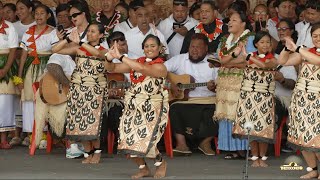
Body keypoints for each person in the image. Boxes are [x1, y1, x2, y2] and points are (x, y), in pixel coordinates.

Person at [105, 34, 169, 179]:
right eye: (146, 46)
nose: (149, 49)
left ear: (160, 48)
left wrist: (120, 56)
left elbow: (143, 69)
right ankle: (143, 168)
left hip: (152, 109)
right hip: (133, 108)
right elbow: (112, 67)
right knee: (128, 139)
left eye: (153, 46)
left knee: (146, 140)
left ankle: (160, 163)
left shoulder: (160, 67)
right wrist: (109, 57)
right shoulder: (136, 63)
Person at [52, 23, 108, 164]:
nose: (89, 33)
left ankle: (97, 153)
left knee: (92, 123)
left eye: (93, 31)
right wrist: (66, 39)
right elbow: (55, 49)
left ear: (101, 35)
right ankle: (88, 152)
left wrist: (80, 42)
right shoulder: (79, 49)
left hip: (95, 91)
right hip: (78, 91)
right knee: (79, 123)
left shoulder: (104, 51)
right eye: (88, 31)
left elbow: (96, 54)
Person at [278, 22, 320, 179]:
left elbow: (317, 61)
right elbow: (283, 61)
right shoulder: (305, 51)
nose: (317, 39)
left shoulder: (305, 52)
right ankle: (313, 169)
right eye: (315, 36)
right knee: (302, 137)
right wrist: (287, 48)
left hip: (318, 101)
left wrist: (298, 49)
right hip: (301, 100)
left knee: (317, 138)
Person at [165, 33, 218, 156]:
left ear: (206, 48)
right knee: (174, 108)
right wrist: (171, 84)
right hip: (184, 101)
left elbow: (221, 85)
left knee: (219, 111)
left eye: (198, 47)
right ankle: (181, 144)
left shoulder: (214, 62)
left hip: (208, 100)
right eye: (192, 47)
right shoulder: (179, 59)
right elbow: (160, 70)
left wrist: (214, 88)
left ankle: (205, 142)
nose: (194, 50)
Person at [214, 10, 255, 160]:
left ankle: (245, 148)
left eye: (234, 20)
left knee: (240, 113)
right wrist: (229, 62)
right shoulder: (225, 40)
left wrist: (228, 63)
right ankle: (232, 148)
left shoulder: (250, 39)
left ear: (243, 24)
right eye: (229, 21)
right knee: (226, 114)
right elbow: (218, 60)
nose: (229, 23)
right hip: (225, 83)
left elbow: (249, 61)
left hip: (242, 82)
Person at [233, 31, 277, 167]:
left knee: (263, 128)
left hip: (265, 98)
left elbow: (264, 66)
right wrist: (238, 49)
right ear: (256, 44)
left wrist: (248, 56)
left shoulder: (273, 59)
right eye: (262, 42)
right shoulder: (249, 57)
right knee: (250, 128)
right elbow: (227, 62)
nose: (265, 45)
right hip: (248, 98)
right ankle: (254, 157)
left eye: (268, 42)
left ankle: (262, 158)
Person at [16, 4, 58, 147]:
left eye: (42, 13)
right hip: (30, 68)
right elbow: (23, 56)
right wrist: (19, 77)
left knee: (43, 99)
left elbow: (57, 53)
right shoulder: (28, 33)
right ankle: (31, 134)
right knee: (28, 99)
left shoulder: (53, 32)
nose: (39, 16)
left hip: (46, 68)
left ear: (48, 16)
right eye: (37, 13)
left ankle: (44, 134)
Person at [10, 0, 36, 146]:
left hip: (29, 66)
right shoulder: (13, 26)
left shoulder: (36, 26)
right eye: (17, 9)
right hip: (14, 66)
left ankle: (29, 133)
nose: (19, 12)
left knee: (28, 97)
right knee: (16, 97)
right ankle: (16, 133)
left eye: (22, 8)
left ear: (30, 9)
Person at [0, 4, 19, 149]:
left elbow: (13, 50)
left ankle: (4, 138)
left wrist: (6, 68)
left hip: (6, 63)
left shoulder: (10, 27)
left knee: (5, 102)